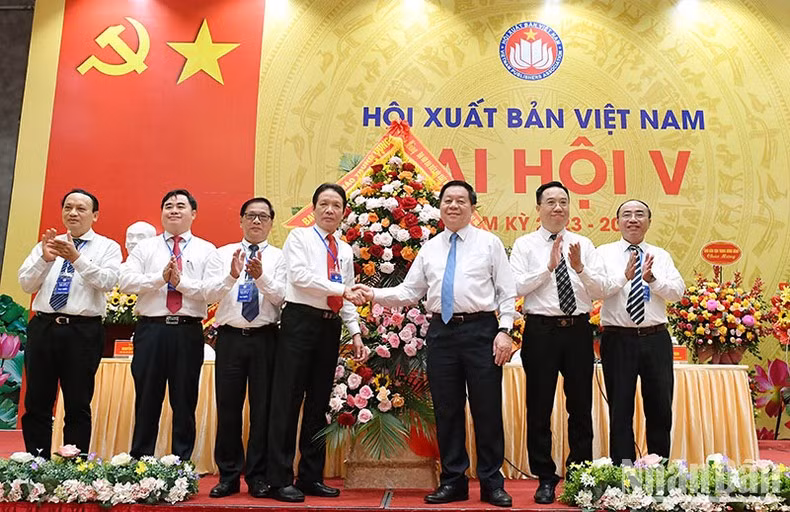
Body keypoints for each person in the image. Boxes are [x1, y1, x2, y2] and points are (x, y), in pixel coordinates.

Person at [355, 180, 516, 508]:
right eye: (447, 201)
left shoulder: (489, 243)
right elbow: (407, 292)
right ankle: (454, 480)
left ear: (472, 207)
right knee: (447, 409)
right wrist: (372, 294)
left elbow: (507, 291)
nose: (453, 206)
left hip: (481, 331)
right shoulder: (431, 247)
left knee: (486, 409)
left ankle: (491, 483)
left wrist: (505, 329)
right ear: (440, 208)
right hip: (441, 333)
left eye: (460, 201)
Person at [266, 183, 365, 503]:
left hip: (329, 327)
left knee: (319, 403)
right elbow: (300, 277)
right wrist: (341, 291)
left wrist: (356, 332)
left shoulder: (345, 249)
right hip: (299, 322)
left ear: (343, 212)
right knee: (288, 400)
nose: (329, 210)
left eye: (336, 205)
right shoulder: (299, 238)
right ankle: (279, 478)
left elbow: (347, 294)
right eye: (323, 204)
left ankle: (311, 476)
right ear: (313, 208)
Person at [509, 181, 606, 504]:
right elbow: (515, 287)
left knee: (580, 406)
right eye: (550, 202)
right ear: (538, 208)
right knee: (538, 406)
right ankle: (545, 478)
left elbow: (597, 292)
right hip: (540, 331)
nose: (558, 208)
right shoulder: (525, 245)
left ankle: (580, 475)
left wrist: (579, 268)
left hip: (578, 330)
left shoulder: (584, 243)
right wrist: (547, 267)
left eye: (563, 202)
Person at [18, 188, 122, 457]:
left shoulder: (107, 247)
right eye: (68, 207)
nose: (73, 213)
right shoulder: (47, 245)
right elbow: (25, 284)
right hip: (44, 327)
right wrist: (44, 259)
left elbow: (108, 282)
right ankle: (36, 463)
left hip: (82, 331)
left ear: (95, 215)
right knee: (37, 401)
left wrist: (76, 258)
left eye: (81, 208)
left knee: (77, 403)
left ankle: (73, 467)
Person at [119, 189, 216, 461]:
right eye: (168, 206)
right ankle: (141, 461)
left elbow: (212, 291)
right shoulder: (145, 248)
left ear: (193, 213)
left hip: (187, 331)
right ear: (161, 212)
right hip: (152, 330)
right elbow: (125, 281)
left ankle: (181, 464)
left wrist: (182, 283)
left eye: (181, 206)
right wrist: (159, 280)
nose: (174, 210)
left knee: (184, 401)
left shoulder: (206, 249)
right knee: (147, 398)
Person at [202, 197, 286, 498]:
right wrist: (232, 276)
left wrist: (261, 277)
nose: (256, 221)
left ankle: (258, 476)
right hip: (230, 338)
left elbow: (282, 299)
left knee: (263, 410)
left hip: (266, 338)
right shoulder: (221, 254)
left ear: (271, 224)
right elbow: (207, 294)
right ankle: (228, 475)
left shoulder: (280, 257)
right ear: (240, 220)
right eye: (251, 215)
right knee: (228, 409)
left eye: (263, 217)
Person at [595, 199, 684, 464]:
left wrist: (653, 280)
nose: (633, 219)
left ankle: (659, 468)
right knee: (620, 408)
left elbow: (678, 293)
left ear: (649, 221)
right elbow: (595, 291)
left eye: (640, 214)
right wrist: (623, 276)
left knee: (659, 407)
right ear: (617, 221)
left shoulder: (661, 255)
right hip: (617, 338)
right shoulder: (603, 253)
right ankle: (623, 471)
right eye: (627, 215)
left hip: (655, 338)